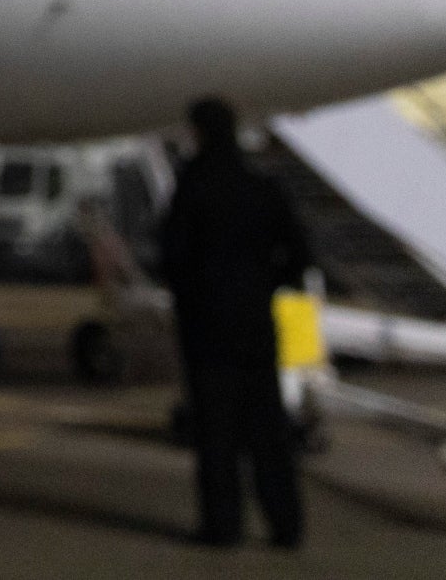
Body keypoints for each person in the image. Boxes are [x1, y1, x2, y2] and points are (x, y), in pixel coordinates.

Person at [158, 95, 313, 550]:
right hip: (255, 326)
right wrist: (265, 283)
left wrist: (193, 295)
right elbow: (300, 256)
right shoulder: (261, 186)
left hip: (207, 329)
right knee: (268, 432)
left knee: (218, 434)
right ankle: (286, 526)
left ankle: (223, 527)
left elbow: (173, 256)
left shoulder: (194, 187)